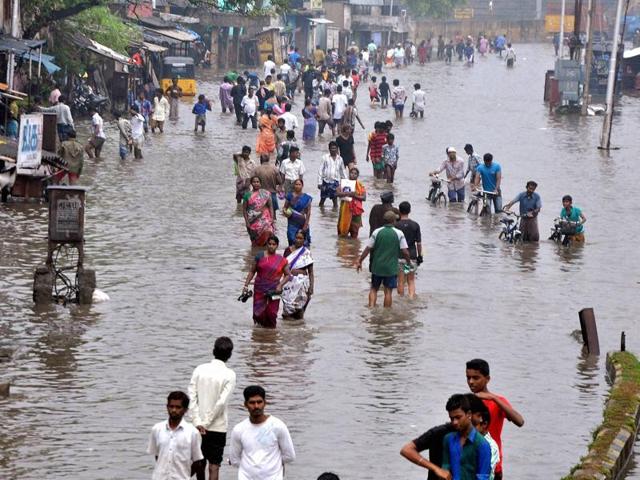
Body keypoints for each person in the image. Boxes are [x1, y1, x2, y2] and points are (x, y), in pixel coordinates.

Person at [466, 359, 525, 480]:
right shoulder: (465, 402)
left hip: (493, 464)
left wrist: (493, 398)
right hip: (470, 462)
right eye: (468, 377)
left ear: (487, 379)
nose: (471, 382)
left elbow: (520, 421)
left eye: (476, 378)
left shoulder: (497, 402)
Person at [188, 337, 236, 480]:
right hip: (217, 427)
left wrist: (198, 421)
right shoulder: (230, 374)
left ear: (213, 350)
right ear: (230, 354)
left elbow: (192, 396)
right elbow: (221, 403)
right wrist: (207, 423)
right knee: (214, 466)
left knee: (198, 463)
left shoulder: (199, 369)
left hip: (197, 426)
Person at [229, 386, 296, 478]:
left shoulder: (278, 426)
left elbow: (289, 456)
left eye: (259, 402)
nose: (256, 406)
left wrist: (272, 465)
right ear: (245, 404)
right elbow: (234, 460)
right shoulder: (239, 429)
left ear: (265, 403)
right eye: (252, 403)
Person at [357, 210, 411, 308]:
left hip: (377, 267)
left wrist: (360, 261)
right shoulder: (399, 233)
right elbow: (405, 252)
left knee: (373, 289)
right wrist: (408, 263)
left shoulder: (376, 232)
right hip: (390, 268)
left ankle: (371, 308)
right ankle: (386, 313)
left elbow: (368, 248)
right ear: (394, 221)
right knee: (388, 292)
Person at [147, 391, 204, 480]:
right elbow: (158, 456)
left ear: (185, 410)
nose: (174, 410)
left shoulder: (192, 433)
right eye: (171, 406)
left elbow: (198, 462)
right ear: (167, 407)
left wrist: (185, 475)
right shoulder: (157, 429)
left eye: (178, 407)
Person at [243, 236, 291, 328]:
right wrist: (246, 285)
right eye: (269, 244)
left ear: (277, 246)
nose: (271, 246)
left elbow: (288, 275)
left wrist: (280, 285)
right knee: (258, 314)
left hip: (275, 290)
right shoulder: (259, 256)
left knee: (272, 314)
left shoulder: (281, 260)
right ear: (267, 245)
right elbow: (252, 271)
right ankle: (260, 335)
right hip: (259, 289)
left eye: (274, 244)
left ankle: (271, 336)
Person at [441, 394, 492, 480]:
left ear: (469, 414)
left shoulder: (482, 445)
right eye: (452, 418)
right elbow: (445, 468)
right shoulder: (448, 439)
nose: (454, 422)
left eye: (458, 417)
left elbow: (483, 477)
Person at [400, 409, 455, 480]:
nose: (455, 422)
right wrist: (436, 469)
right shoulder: (439, 432)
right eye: (453, 418)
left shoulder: (473, 436)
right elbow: (406, 450)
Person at [281, 230, 314, 319]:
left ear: (304, 240)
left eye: (301, 238)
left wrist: (311, 287)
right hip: (289, 282)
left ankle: (299, 328)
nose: (298, 240)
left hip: (302, 284)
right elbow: (282, 267)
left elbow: (310, 272)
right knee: (287, 311)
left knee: (300, 310)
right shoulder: (288, 250)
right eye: (297, 238)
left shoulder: (306, 252)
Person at [395, 201, 422, 299]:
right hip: (411, 257)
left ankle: (401, 300)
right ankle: (411, 298)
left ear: (399, 211)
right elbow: (418, 243)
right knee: (411, 279)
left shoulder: (396, 225)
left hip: (400, 257)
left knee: (401, 280)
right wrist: (420, 256)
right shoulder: (415, 225)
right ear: (409, 211)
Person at [242, 176, 275, 247]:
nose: (256, 183)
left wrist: (272, 218)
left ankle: (267, 252)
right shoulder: (247, 195)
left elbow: (271, 206)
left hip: (265, 219)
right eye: (254, 182)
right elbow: (244, 210)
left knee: (268, 233)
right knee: (255, 241)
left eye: (258, 182)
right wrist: (247, 222)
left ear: (260, 183)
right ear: (251, 183)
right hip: (253, 221)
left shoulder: (266, 193)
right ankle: (255, 253)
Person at [337, 167, 366, 238]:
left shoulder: (360, 185)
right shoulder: (344, 183)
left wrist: (354, 196)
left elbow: (364, 198)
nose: (353, 175)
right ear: (349, 174)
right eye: (351, 173)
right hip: (345, 210)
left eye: (355, 174)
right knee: (342, 232)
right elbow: (337, 193)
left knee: (355, 232)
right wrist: (348, 193)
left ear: (357, 176)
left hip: (356, 211)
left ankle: (353, 247)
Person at [317, 141, 348, 208]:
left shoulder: (340, 159)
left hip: (335, 182)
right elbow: (320, 170)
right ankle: (321, 213)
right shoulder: (325, 157)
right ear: (329, 149)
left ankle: (334, 215)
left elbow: (343, 171)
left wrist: (346, 183)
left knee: (335, 201)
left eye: (335, 148)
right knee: (322, 200)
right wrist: (319, 182)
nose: (333, 150)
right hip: (325, 182)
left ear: (337, 149)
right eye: (332, 148)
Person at [283, 178, 312, 246]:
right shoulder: (289, 196)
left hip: (302, 222)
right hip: (292, 222)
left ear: (302, 186)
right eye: (296, 184)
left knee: (304, 242)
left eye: (299, 184)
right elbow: (285, 208)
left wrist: (305, 226)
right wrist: (286, 213)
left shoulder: (307, 198)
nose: (298, 186)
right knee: (291, 239)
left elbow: (308, 213)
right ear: (294, 185)